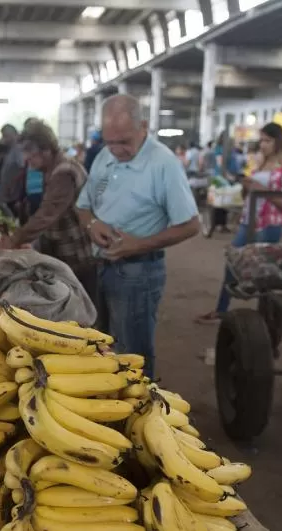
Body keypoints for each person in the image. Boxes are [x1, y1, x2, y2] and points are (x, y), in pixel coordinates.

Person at [75, 95, 199, 378]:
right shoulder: (104, 157)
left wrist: (138, 245)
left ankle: (141, 414)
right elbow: (82, 206)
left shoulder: (163, 164)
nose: (117, 150)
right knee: (100, 346)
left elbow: (191, 225)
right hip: (101, 267)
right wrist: (92, 223)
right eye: (110, 142)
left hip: (138, 274)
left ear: (144, 126)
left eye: (124, 142)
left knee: (133, 357)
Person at [196, 123, 282, 325]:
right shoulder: (260, 164)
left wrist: (259, 188)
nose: (263, 145)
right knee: (233, 262)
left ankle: (266, 318)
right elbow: (249, 195)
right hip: (249, 220)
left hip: (268, 224)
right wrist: (246, 186)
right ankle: (221, 310)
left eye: (267, 140)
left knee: (265, 271)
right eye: (261, 140)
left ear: (278, 142)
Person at [0, 119, 96, 298]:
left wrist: (15, 239)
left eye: (30, 152)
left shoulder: (63, 172)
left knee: (82, 311)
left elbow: (46, 215)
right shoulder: (52, 169)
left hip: (76, 254)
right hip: (64, 251)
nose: (26, 159)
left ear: (46, 149)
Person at [0, 124, 26, 222]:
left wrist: (12, 185)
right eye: (3, 136)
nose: (4, 139)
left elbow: (23, 169)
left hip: (13, 195)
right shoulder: (11, 149)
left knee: (12, 220)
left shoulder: (18, 149)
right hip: (8, 194)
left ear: (15, 134)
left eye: (6, 136)